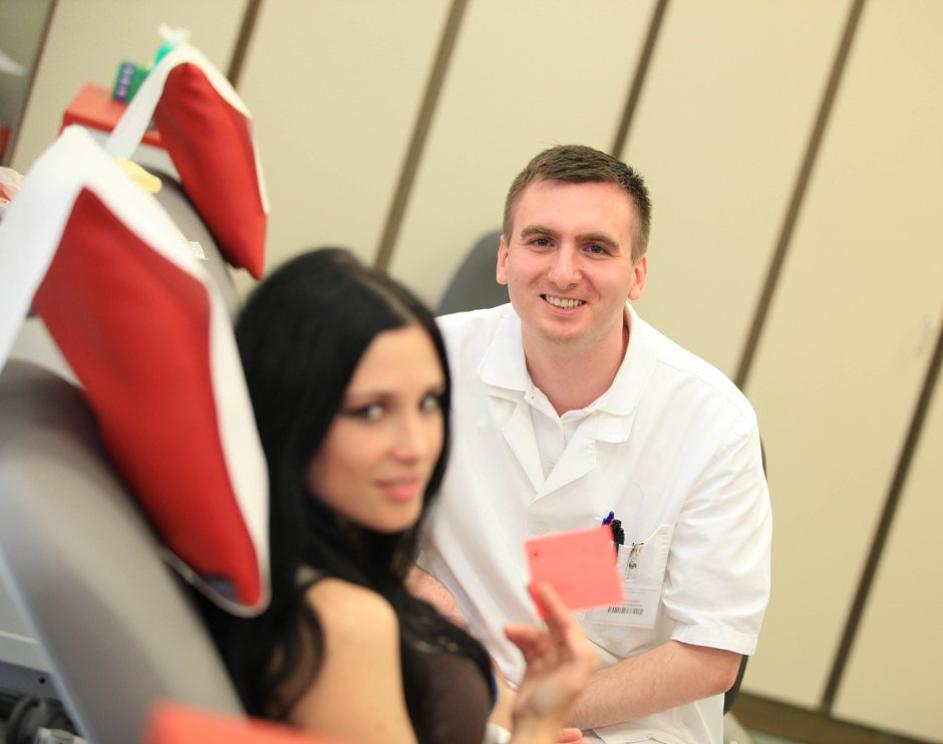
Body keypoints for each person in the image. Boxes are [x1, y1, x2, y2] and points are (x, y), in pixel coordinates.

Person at [417, 145, 772, 743]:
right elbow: (341, 527)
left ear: (638, 274)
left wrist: (540, 716)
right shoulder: (427, 361)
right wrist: (438, 616)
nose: (563, 272)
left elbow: (712, 653)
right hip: (458, 693)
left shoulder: (714, 422)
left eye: (596, 248)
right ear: (504, 258)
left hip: (626, 725)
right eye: (541, 241)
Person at [193, 248, 596, 744]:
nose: (416, 447)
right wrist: (536, 730)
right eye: (370, 411)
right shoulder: (342, 622)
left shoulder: (318, 561)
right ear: (290, 411)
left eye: (428, 403)